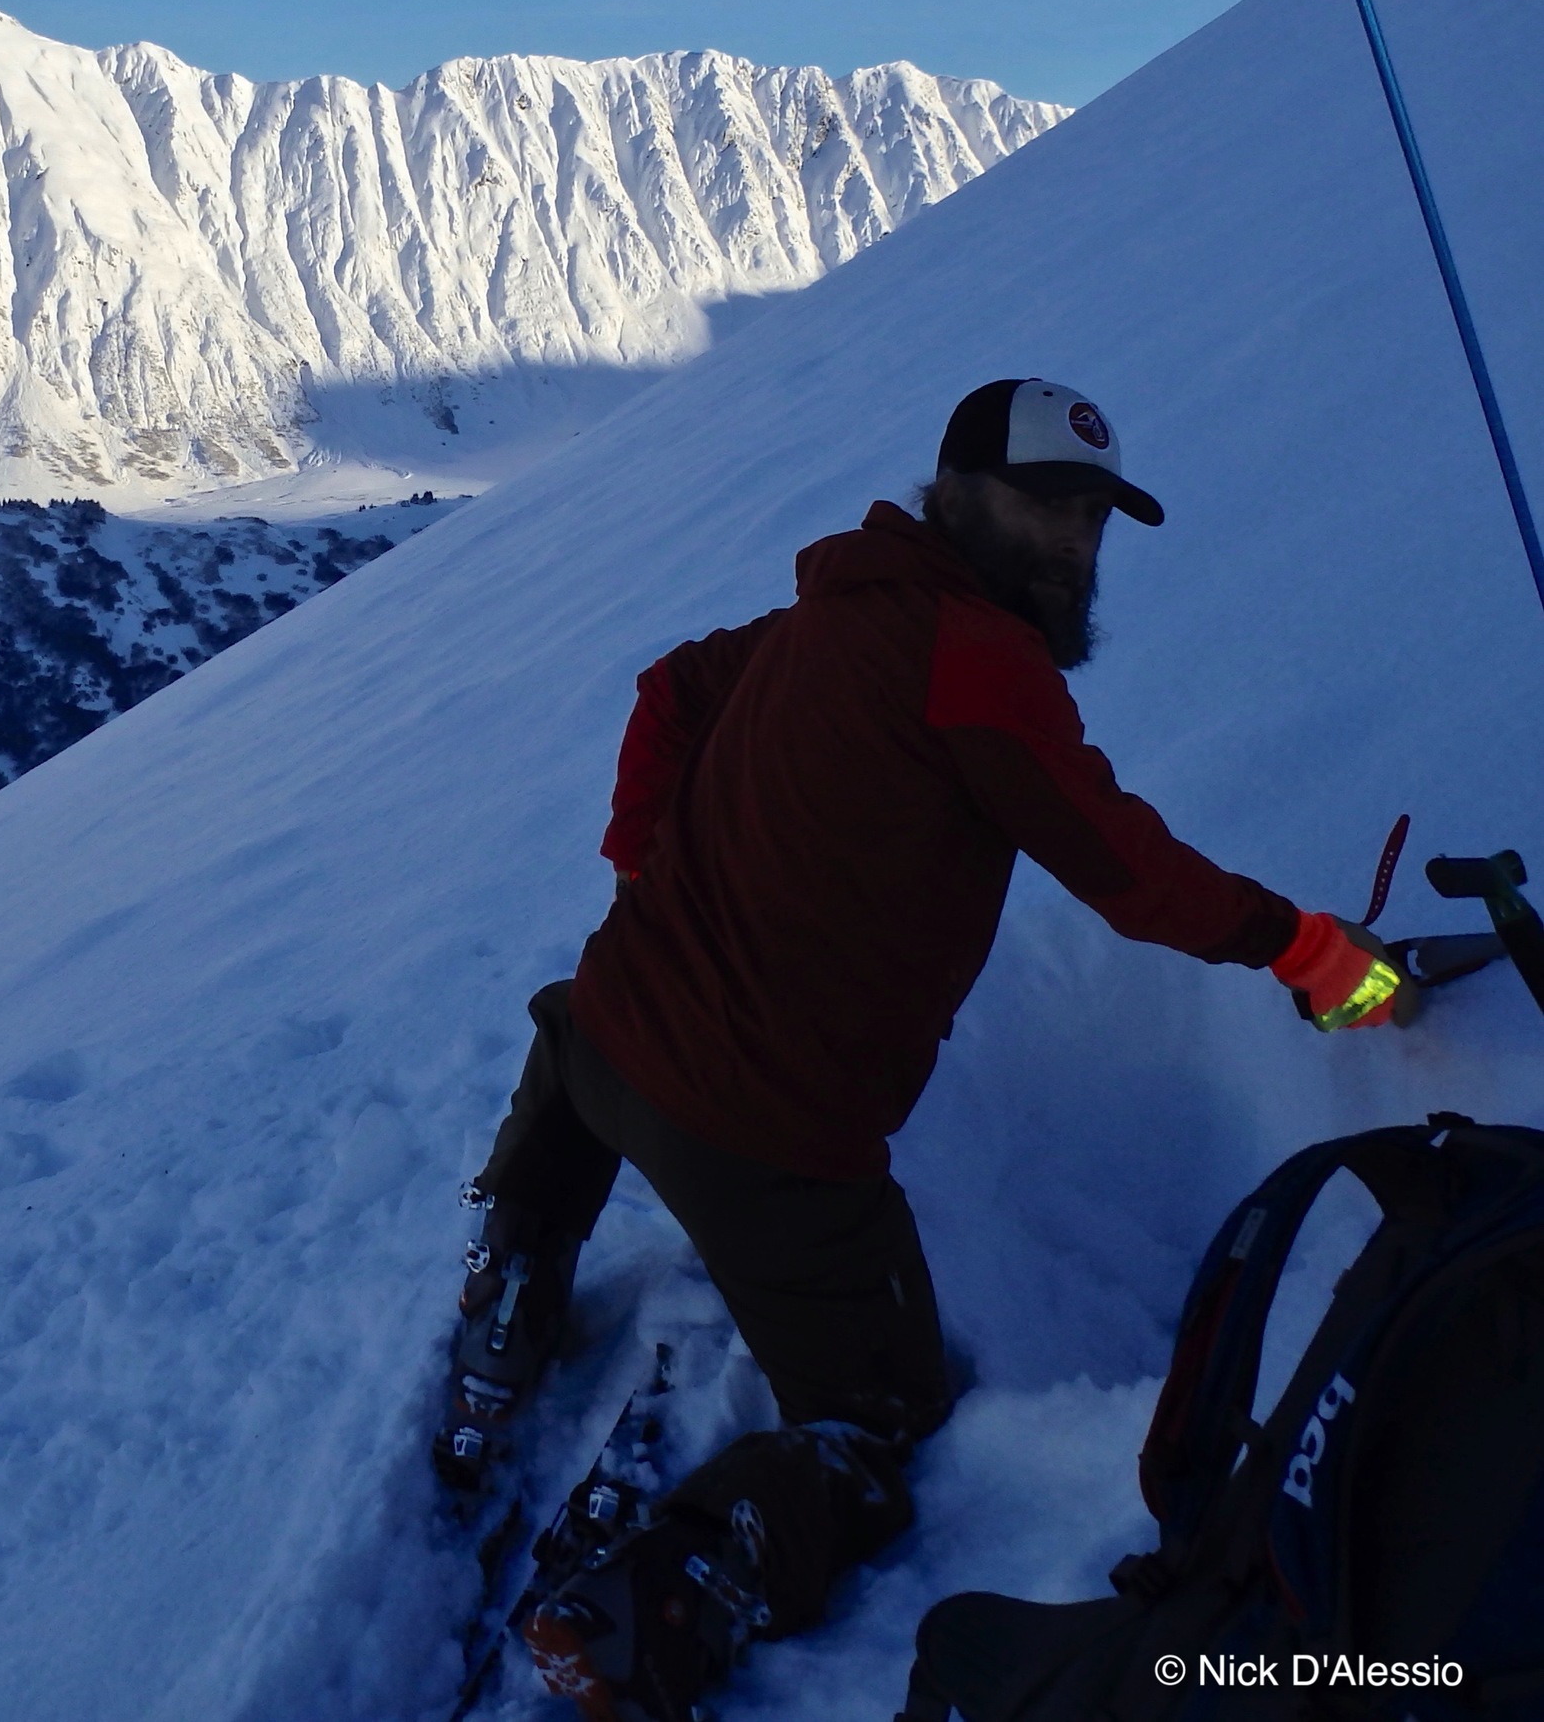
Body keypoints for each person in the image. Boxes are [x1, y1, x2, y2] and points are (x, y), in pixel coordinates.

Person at [437, 379, 1410, 1722]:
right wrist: (1313, 954)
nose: (1073, 543)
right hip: (767, 1144)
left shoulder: (833, 609)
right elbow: (1123, 866)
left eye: (1094, 520)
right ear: (954, 490)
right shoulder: (979, 658)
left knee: (579, 1032)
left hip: (608, 1042)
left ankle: (514, 1275)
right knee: (882, 1430)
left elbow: (672, 688)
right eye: (1044, 506)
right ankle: (668, 1597)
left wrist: (646, 877)